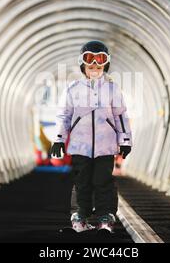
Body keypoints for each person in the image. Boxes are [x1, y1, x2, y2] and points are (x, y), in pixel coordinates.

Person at [50, 40, 133, 233]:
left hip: (105, 146)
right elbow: (64, 115)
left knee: (103, 181)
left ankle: (105, 217)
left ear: (106, 63)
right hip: (80, 146)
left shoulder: (112, 89)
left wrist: (125, 141)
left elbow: (121, 116)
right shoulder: (73, 89)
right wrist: (59, 139)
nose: (95, 64)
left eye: (100, 59)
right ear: (82, 63)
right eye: (90, 59)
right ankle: (80, 216)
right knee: (82, 181)